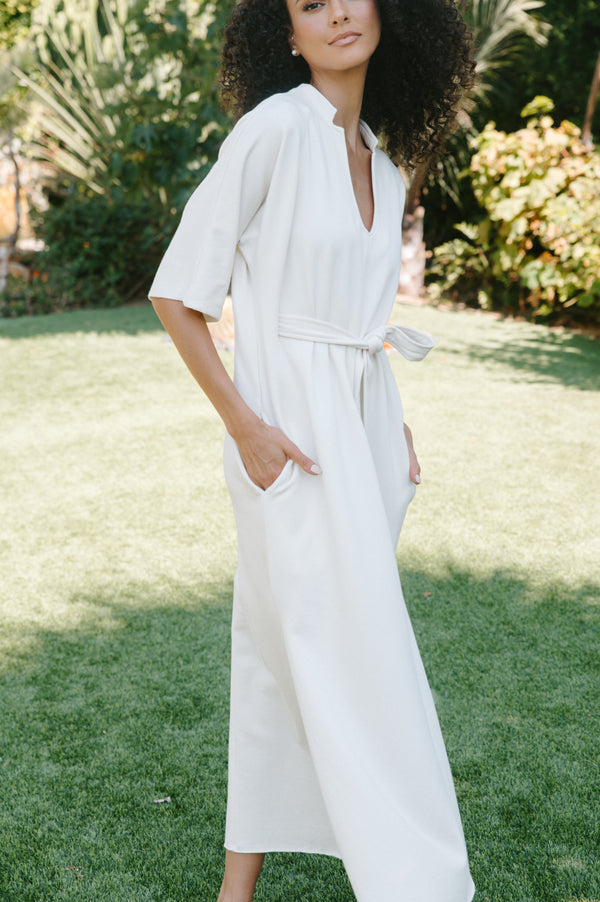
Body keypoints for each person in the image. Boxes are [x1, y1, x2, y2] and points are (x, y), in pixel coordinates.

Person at [149, 0, 475, 898]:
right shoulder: (274, 130)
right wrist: (245, 427)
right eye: (308, 4)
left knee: (278, 652)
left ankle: (235, 890)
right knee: (359, 660)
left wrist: (390, 422)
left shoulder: (386, 165)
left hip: (364, 440)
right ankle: (423, 882)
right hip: (288, 442)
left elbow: (359, 324)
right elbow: (178, 293)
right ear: (284, 36)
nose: (335, 14)